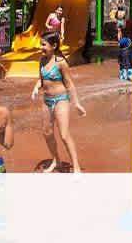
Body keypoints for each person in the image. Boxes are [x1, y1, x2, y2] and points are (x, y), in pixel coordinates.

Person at [30, 32, 86, 173]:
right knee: (47, 133)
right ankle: (56, 160)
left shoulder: (61, 63)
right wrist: (36, 87)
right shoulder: (42, 60)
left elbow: (69, 84)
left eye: (43, 44)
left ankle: (76, 166)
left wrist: (76, 103)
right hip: (47, 100)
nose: (40, 47)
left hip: (61, 100)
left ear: (54, 45)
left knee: (64, 134)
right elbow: (41, 79)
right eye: (41, 44)